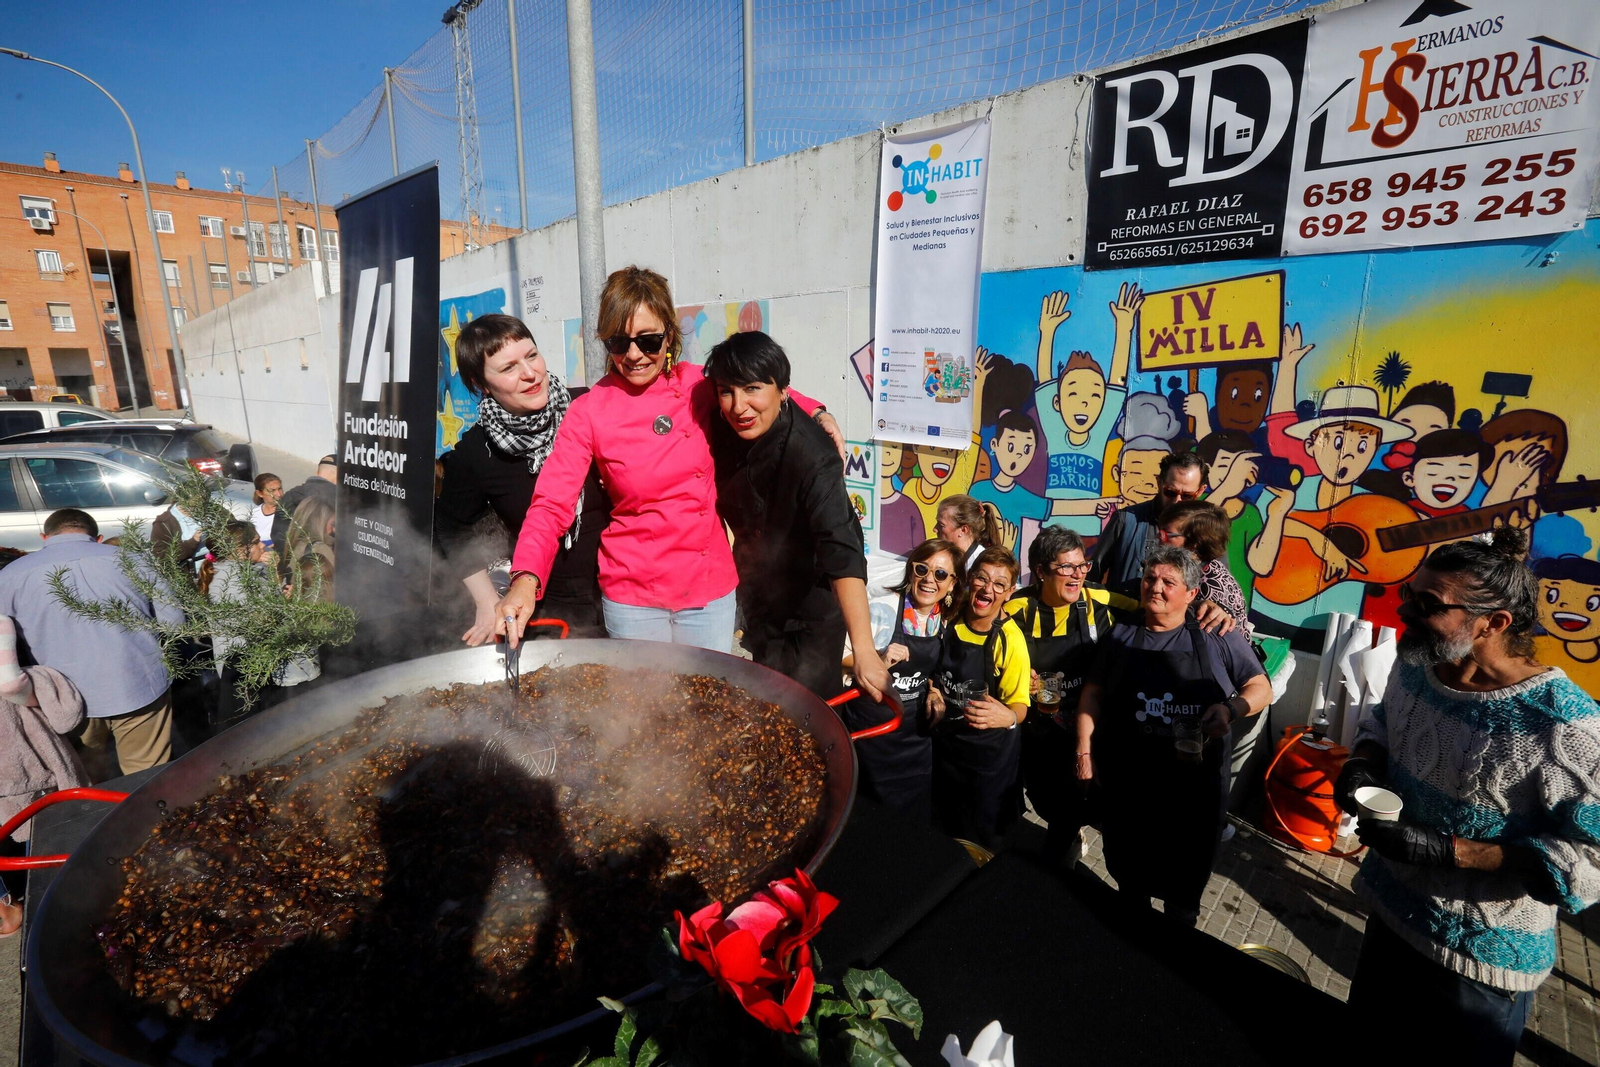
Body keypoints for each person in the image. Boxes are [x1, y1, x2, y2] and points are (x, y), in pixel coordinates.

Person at [1334, 527, 1600, 1067]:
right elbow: (1383, 724)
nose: (1405, 610)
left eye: (1427, 604)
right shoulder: (1415, 669)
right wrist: (1363, 761)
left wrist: (1449, 851)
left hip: (1478, 967)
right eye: (1410, 594)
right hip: (1391, 922)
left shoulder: (1563, 726)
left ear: (1493, 623)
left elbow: (1591, 862)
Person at [496, 266, 841, 652]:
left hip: (708, 591)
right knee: (644, 709)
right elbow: (551, 503)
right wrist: (525, 579)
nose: (633, 355)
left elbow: (764, 389)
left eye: (649, 341)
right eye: (617, 342)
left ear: (670, 336)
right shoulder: (589, 411)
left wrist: (817, 413)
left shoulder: (699, 384)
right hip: (632, 595)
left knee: (702, 703)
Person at [1075, 545, 1271, 926]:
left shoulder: (1217, 633)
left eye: (1169, 582)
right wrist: (1084, 750)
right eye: (1150, 578)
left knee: (1183, 893)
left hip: (1193, 791)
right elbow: (1093, 694)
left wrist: (1230, 710)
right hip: (1130, 784)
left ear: (1193, 594)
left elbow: (1260, 687)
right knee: (1130, 882)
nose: (1156, 588)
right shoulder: (1120, 635)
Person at [704, 331, 888, 701]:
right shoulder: (719, 428)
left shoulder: (814, 455)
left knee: (811, 713)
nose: (739, 406)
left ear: (783, 391)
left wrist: (864, 650)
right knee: (763, 704)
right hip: (759, 596)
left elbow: (842, 549)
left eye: (752, 389)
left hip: (813, 607)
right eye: (727, 391)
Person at [435, 314, 609, 641]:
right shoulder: (478, 451)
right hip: (551, 606)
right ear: (480, 384)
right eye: (508, 368)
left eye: (531, 356)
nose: (530, 374)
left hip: (627, 590)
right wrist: (486, 601)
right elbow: (449, 525)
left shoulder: (587, 407)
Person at [0, 509, 183, 775]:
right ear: (98, 538)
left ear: (44, 537)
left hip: (63, 698)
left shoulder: (10, 576)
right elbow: (174, 624)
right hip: (139, 685)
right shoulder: (135, 561)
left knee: (86, 779)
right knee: (146, 777)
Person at [1005, 525, 1135, 863]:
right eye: (1067, 567)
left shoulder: (1097, 599)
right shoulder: (1016, 608)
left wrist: (1217, 612)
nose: (1077, 575)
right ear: (1042, 571)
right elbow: (983, 637)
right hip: (1041, 727)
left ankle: (1059, 863)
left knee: (1079, 805)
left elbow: (1157, 608)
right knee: (1042, 796)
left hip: (1091, 727)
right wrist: (1021, 678)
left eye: (1082, 565)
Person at [841, 539, 964, 823]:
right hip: (872, 732)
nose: (929, 580)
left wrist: (934, 692)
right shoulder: (882, 608)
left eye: (941, 574)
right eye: (922, 569)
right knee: (868, 815)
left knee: (912, 817)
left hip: (914, 739)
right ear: (911, 571)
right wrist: (877, 659)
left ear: (953, 584)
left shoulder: (942, 619)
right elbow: (841, 656)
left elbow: (930, 670)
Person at [929, 546, 1032, 849]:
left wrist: (1009, 717)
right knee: (943, 828)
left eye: (999, 584)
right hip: (946, 750)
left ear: (1009, 592)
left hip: (988, 763)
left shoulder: (1010, 639)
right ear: (971, 579)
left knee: (981, 840)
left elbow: (1020, 705)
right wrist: (934, 692)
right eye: (982, 579)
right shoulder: (951, 617)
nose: (988, 588)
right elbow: (935, 671)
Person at [0, 615, 88, 937]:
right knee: (42, 835)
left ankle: (6, 911)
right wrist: (39, 684)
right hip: (18, 770)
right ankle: (58, 907)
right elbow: (9, 683)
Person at [1090, 450, 1207, 598]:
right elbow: (1093, 573)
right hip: (1121, 615)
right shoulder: (1126, 520)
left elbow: (1219, 584)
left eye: (1187, 496)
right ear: (1159, 482)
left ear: (1200, 491)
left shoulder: (1206, 532)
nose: (1177, 500)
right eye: (1170, 492)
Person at [199, 521, 268, 728]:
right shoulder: (235, 583)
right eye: (257, 542)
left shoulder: (240, 573)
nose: (263, 545)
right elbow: (264, 624)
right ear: (240, 550)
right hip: (245, 671)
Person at [1158, 501, 1251, 634]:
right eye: (1159, 531)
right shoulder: (1187, 570)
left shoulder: (1210, 586)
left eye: (1166, 534)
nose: (1158, 537)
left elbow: (1207, 642)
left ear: (1194, 543)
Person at [272, 454, 338, 576]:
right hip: (320, 577)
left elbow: (278, 536)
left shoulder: (290, 495)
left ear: (316, 472)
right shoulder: (338, 502)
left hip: (289, 573)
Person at [934, 494, 1010, 572]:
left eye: (941, 525)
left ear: (963, 530)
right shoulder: (946, 558)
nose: (935, 529)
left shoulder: (984, 566)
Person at [250, 473, 283, 548]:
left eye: (280, 489)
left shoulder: (289, 512)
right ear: (260, 493)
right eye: (272, 490)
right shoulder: (254, 514)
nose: (278, 494)